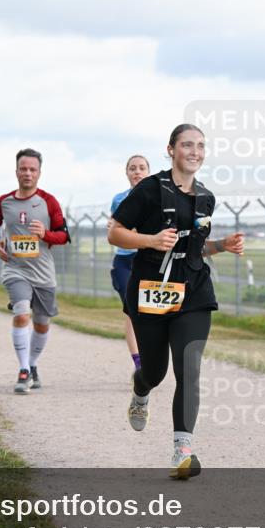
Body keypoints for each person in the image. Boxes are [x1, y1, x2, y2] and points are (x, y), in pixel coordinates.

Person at [108, 124, 245, 479]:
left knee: (189, 368)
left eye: (200, 146)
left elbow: (194, 246)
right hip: (151, 289)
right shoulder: (150, 189)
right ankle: (141, 389)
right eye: (187, 145)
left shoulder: (206, 197)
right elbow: (115, 233)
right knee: (155, 372)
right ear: (171, 149)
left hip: (193, 290)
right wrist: (151, 241)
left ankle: (182, 452)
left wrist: (222, 246)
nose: (195, 152)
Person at [0, 148, 70, 393]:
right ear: (16, 171)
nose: (27, 173)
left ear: (39, 173)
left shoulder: (49, 201)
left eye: (32, 169)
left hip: (43, 272)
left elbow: (64, 236)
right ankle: (23, 370)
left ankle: (33, 365)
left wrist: (45, 234)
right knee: (22, 313)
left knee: (42, 324)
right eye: (23, 169)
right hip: (15, 269)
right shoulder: (5, 201)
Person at [109, 155, 150, 371]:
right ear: (126, 173)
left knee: (149, 310)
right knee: (131, 309)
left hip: (148, 259)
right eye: (133, 168)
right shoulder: (119, 199)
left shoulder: (157, 198)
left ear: (148, 172)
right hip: (124, 260)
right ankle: (138, 363)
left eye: (142, 168)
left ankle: (152, 354)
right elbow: (114, 230)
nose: (137, 172)